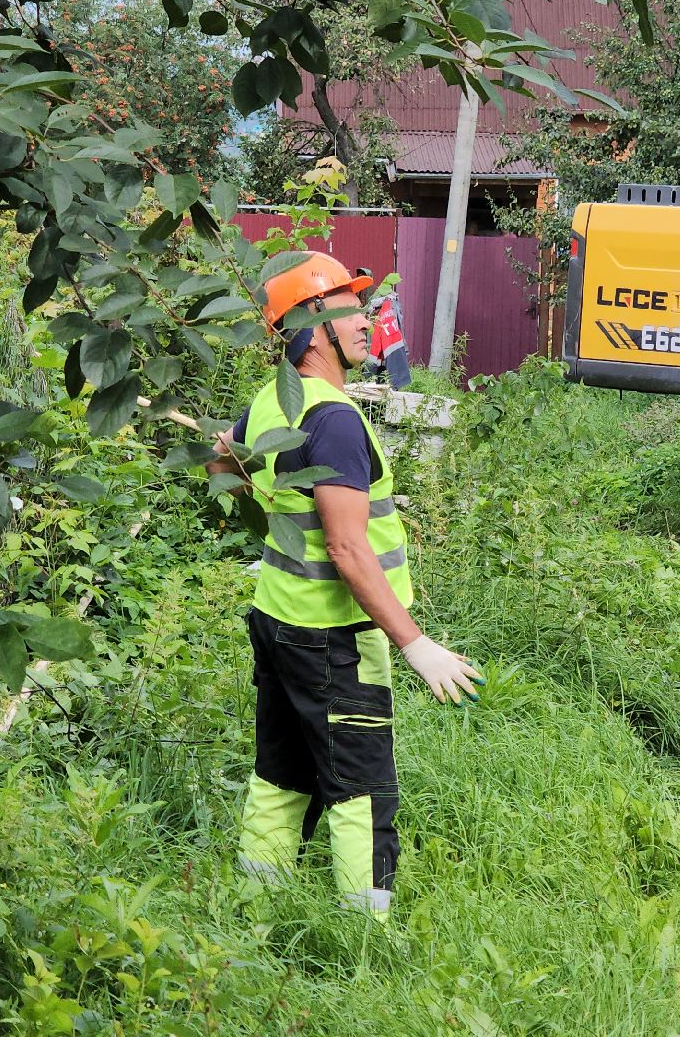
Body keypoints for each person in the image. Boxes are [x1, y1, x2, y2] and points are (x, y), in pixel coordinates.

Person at [209, 251, 483, 920]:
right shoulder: (332, 420)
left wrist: (251, 475)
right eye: (352, 309)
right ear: (313, 324)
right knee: (361, 788)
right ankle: (366, 937)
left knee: (283, 774)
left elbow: (224, 460)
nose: (368, 322)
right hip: (335, 640)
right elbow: (346, 547)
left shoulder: (275, 400)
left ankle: (253, 914)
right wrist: (416, 644)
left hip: (278, 621)